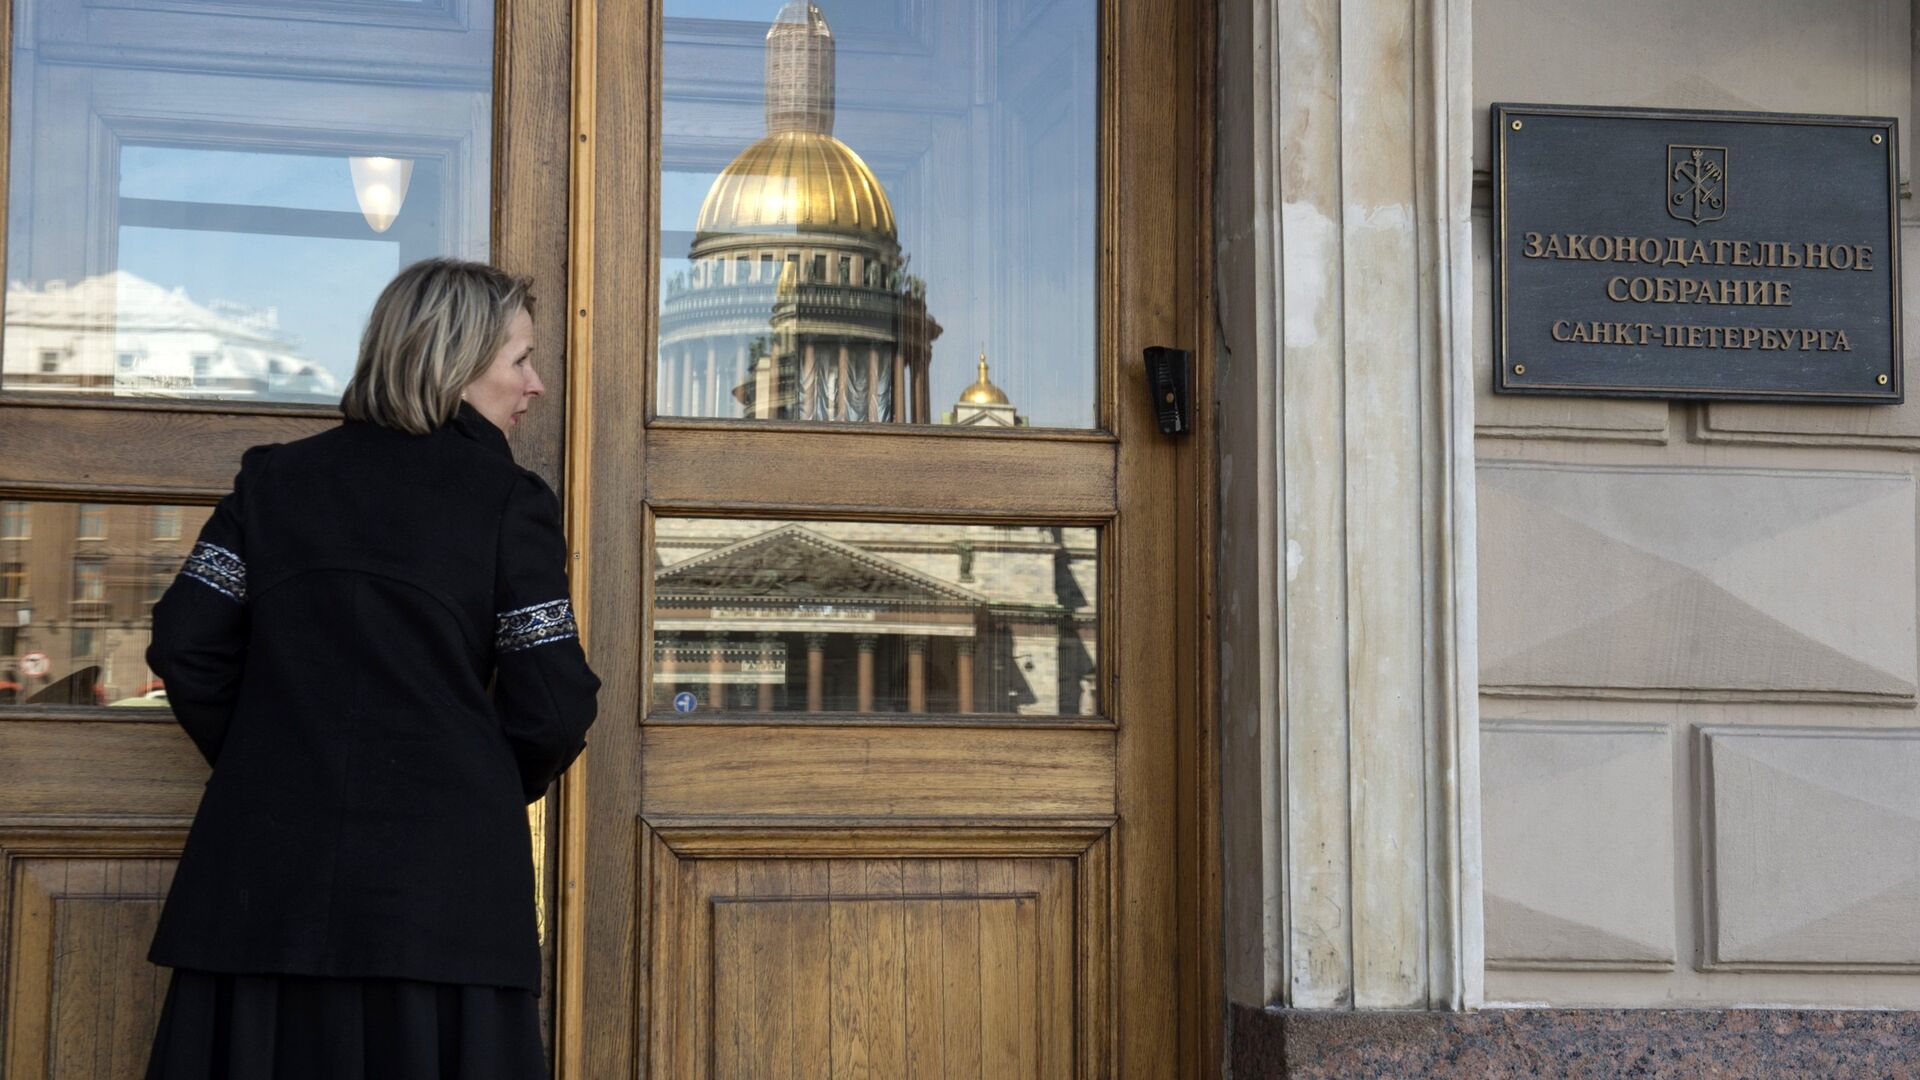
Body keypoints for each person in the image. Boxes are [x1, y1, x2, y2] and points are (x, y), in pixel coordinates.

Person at [141, 258, 601, 1079]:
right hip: (440, 904)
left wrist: (268, 761)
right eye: (520, 359)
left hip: (261, 889)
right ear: (458, 364)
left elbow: (185, 642)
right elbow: (557, 702)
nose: (535, 386)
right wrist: (474, 784)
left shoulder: (273, 481)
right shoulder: (507, 501)